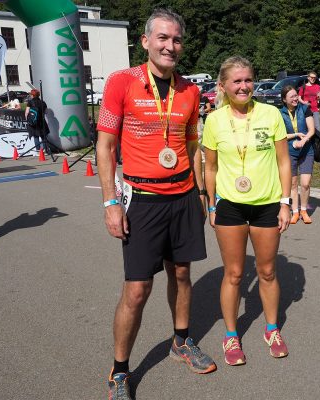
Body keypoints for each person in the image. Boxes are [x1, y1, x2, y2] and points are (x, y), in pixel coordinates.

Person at [96, 8, 216, 399]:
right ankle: (119, 371)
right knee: (136, 290)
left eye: (177, 39)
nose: (170, 45)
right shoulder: (122, 82)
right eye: (162, 38)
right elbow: (106, 146)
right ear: (146, 42)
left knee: (182, 274)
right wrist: (110, 202)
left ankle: (181, 341)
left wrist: (200, 193)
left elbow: (192, 143)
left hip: (182, 197)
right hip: (141, 200)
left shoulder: (190, 90)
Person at [202, 56, 291, 366]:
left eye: (248, 79)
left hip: (267, 205)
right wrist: (210, 203)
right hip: (230, 206)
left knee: (267, 271)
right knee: (235, 274)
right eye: (236, 81)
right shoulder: (214, 120)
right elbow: (210, 167)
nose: (243, 86)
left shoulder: (271, 114)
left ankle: (271, 329)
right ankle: (230, 334)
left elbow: (283, 161)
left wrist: (285, 202)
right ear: (224, 86)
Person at [280, 85, 316, 224]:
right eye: (292, 97)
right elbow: (279, 134)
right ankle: (295, 212)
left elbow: (312, 130)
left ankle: (304, 210)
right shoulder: (280, 113)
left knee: (305, 184)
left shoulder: (305, 109)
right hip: (289, 151)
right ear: (284, 99)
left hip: (307, 151)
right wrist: (295, 135)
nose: (295, 98)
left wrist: (304, 140)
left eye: (296, 95)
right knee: (293, 183)